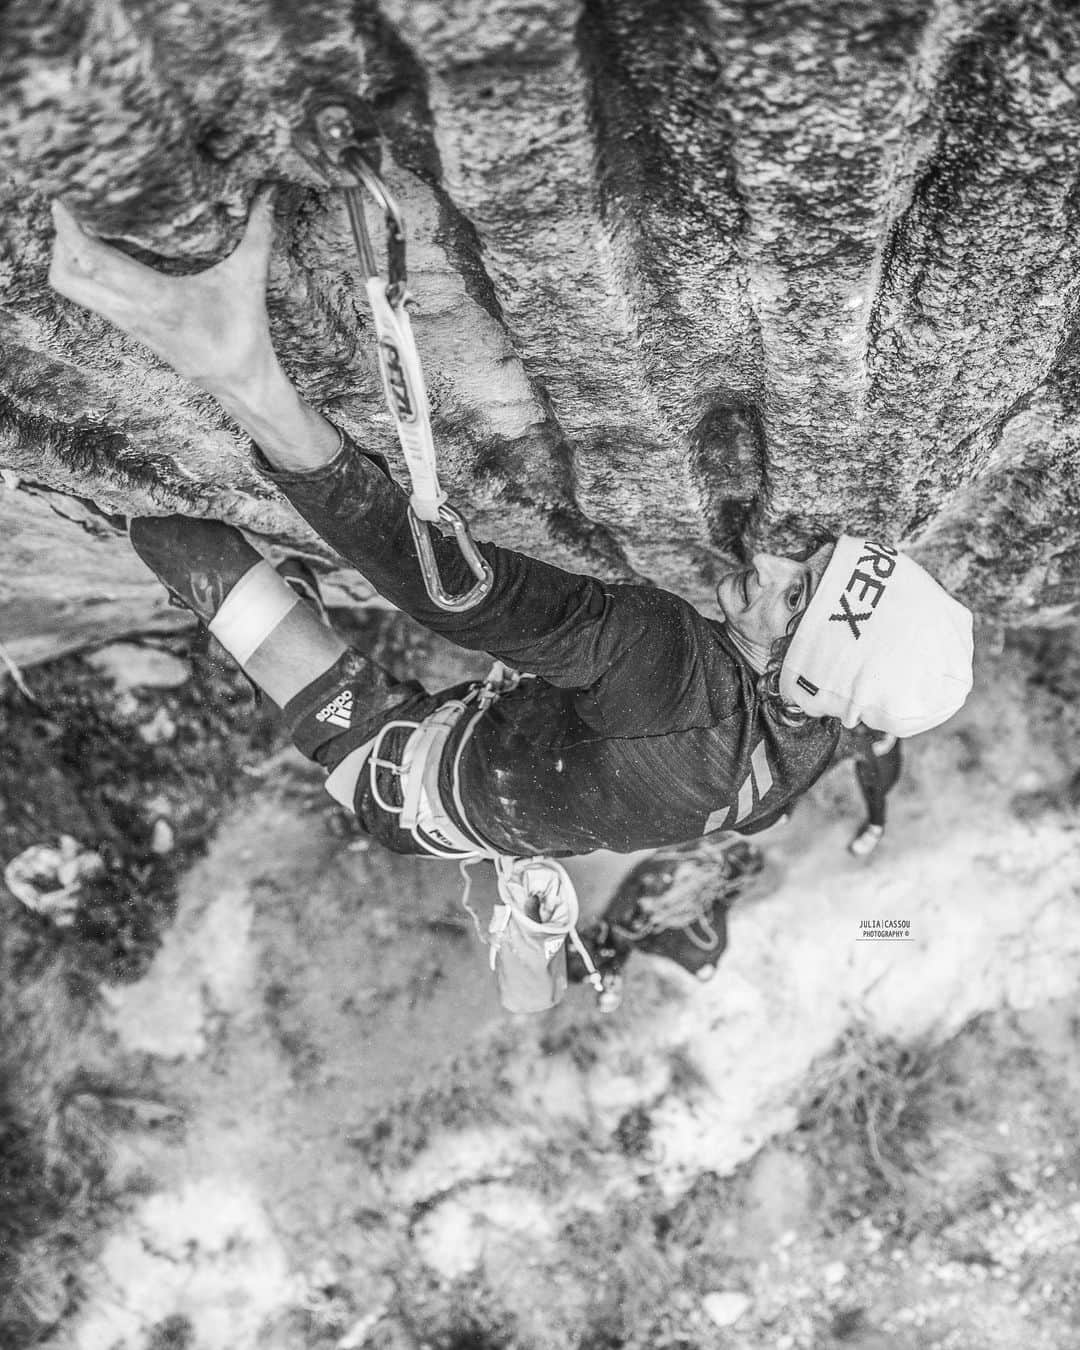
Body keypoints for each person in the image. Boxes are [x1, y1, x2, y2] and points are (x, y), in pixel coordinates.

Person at [47, 191, 974, 917]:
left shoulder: (668, 667)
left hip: (397, 771)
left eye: (795, 598)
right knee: (284, 588)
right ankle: (296, 590)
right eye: (808, 562)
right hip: (503, 805)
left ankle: (213, 494)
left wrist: (250, 382)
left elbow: (456, 594)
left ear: (796, 676)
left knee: (187, 541)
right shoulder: (811, 742)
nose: (769, 564)